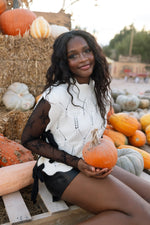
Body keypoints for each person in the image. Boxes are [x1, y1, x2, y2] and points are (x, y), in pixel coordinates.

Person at [21, 29, 150, 225]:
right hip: (62, 171)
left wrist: (98, 160)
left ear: (95, 53)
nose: (83, 59)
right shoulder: (57, 96)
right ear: (64, 62)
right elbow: (28, 139)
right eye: (73, 55)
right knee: (143, 216)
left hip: (92, 165)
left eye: (86, 51)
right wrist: (77, 163)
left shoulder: (101, 90)